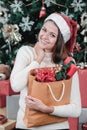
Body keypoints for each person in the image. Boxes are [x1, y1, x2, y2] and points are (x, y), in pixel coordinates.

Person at [10, 12, 81, 130]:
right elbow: (16, 86)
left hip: (58, 128)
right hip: (26, 127)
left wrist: (47, 109)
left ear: (59, 41)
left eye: (52, 35)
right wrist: (37, 60)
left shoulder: (68, 63)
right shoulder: (26, 52)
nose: (44, 36)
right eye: (44, 30)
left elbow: (76, 109)